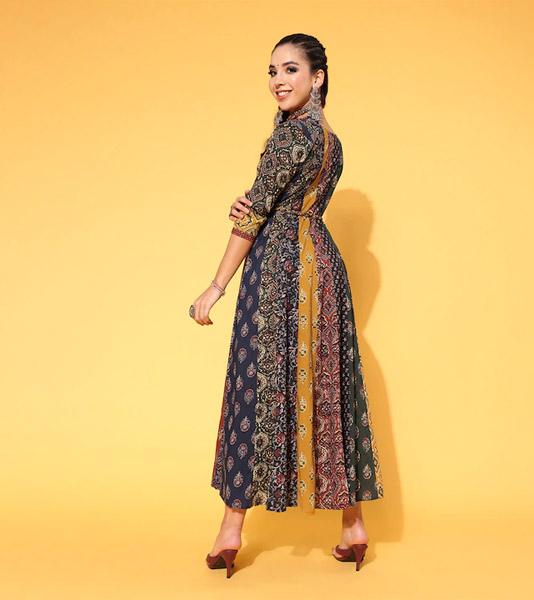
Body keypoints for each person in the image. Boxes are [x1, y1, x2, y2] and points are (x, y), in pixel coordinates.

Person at [190, 33, 384, 578]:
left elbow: (255, 217)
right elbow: (275, 199)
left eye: (291, 69)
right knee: (328, 386)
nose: (279, 80)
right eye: (273, 71)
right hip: (322, 265)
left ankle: (231, 531)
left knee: (257, 386)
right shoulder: (329, 140)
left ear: (317, 77)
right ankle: (353, 526)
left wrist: (215, 286)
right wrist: (257, 200)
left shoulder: (288, 138)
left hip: (280, 269)